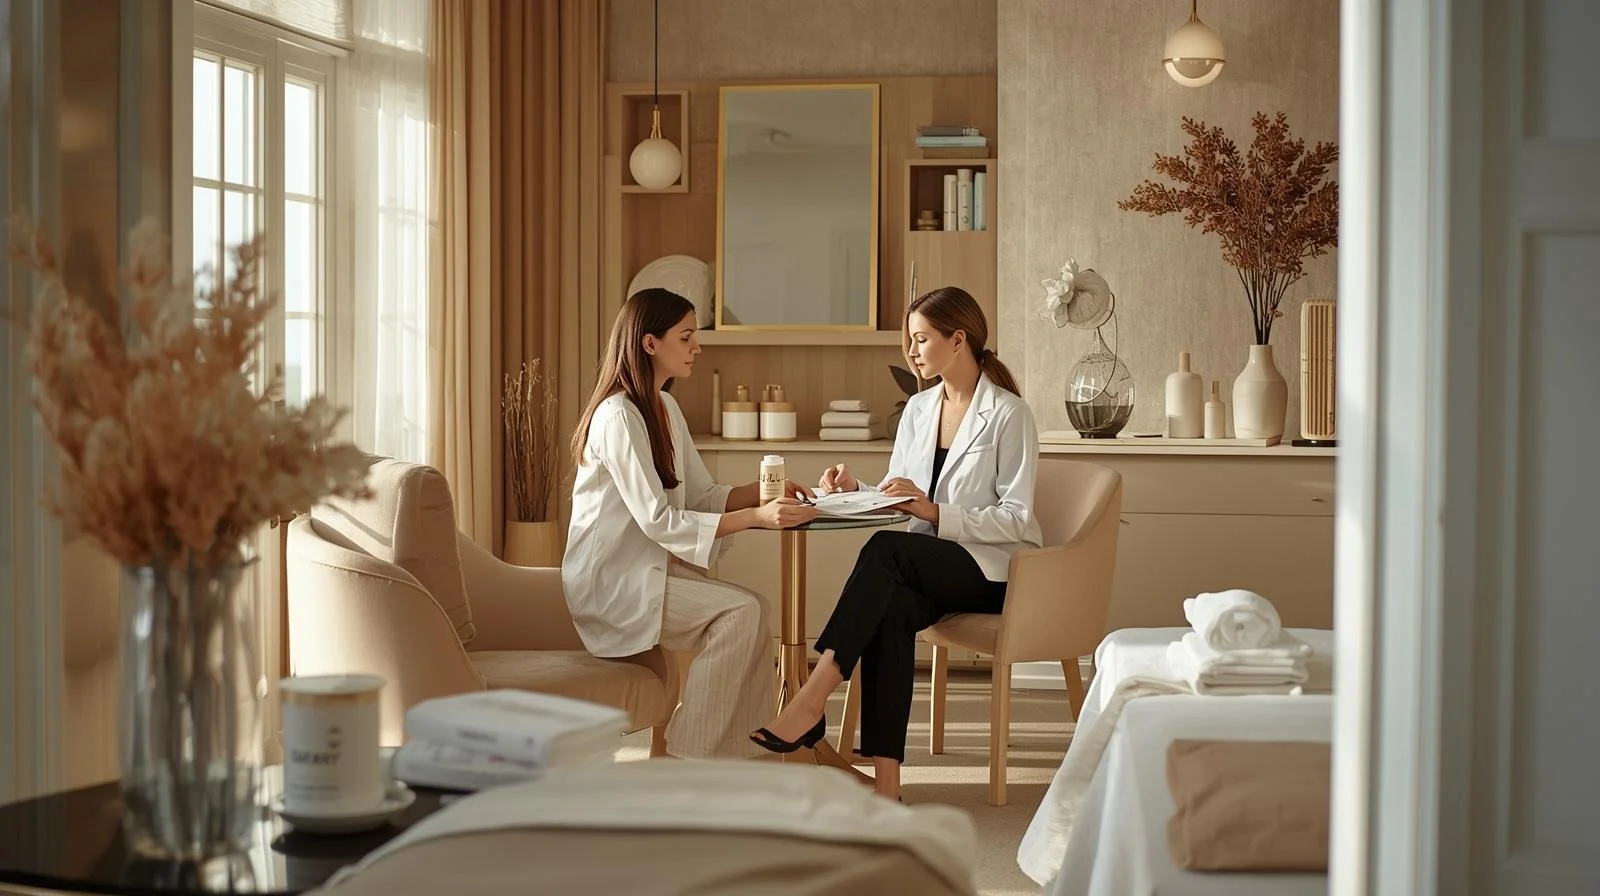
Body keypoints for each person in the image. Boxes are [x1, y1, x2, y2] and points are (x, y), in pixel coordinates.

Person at [748, 286, 1042, 799]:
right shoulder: (919, 409)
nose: (911, 352)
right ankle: (887, 786)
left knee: (886, 551)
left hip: (991, 573)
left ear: (958, 339)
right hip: (924, 566)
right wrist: (855, 488)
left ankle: (813, 696)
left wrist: (934, 511)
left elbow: (1015, 520)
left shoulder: (1010, 414)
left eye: (921, 339)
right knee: (893, 607)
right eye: (909, 340)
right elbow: (898, 493)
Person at [564, 288, 817, 759]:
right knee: (740, 613)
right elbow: (659, 519)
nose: (696, 347)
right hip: (615, 581)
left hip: (649, 570)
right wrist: (757, 517)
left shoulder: (665, 407)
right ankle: (685, 755)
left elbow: (703, 496)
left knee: (755, 608)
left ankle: (741, 752)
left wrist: (771, 491)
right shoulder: (618, 416)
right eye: (686, 337)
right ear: (649, 343)